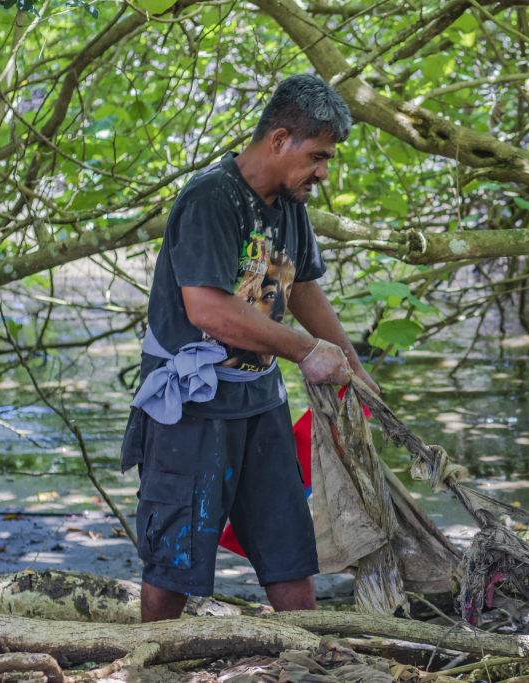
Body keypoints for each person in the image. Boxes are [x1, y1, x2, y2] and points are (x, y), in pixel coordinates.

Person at [120, 74, 378, 622]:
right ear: (279, 139)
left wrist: (352, 366)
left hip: (260, 403)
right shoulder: (211, 199)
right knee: (174, 565)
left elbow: (302, 288)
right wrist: (307, 352)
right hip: (191, 409)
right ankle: (148, 662)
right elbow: (210, 310)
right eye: (318, 156)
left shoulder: (289, 206)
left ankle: (304, 662)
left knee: (289, 557)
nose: (323, 173)